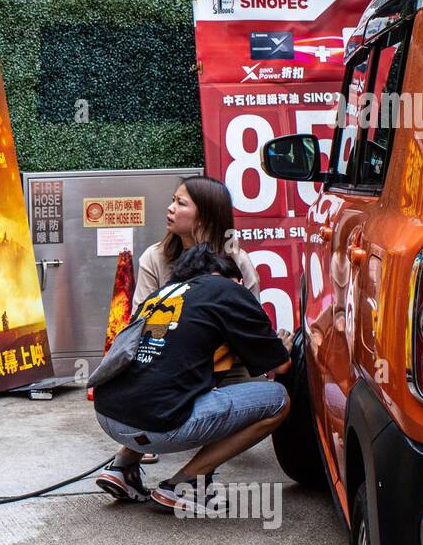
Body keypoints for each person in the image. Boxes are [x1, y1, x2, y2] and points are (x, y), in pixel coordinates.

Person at [93, 244, 292, 514]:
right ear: (235, 279)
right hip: (160, 427)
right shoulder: (229, 290)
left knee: (163, 378)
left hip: (107, 415)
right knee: (278, 401)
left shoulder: (163, 294)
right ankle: (187, 483)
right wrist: (283, 348)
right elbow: (279, 366)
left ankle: (122, 466)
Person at [132, 175, 260, 310]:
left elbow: (254, 321)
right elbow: (140, 318)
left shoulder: (238, 259)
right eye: (173, 200)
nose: (170, 208)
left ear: (205, 217)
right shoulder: (155, 256)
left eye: (181, 203)